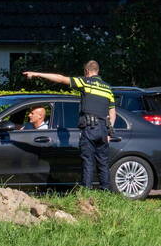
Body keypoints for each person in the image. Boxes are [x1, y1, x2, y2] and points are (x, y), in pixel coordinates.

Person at [23, 61, 116, 190]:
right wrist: (109, 132)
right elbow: (112, 113)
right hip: (103, 130)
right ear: (98, 71)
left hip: (89, 128)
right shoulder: (108, 88)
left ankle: (86, 191)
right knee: (103, 163)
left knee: (88, 161)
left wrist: (37, 74)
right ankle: (106, 191)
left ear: (86, 71)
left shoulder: (86, 82)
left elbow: (60, 78)